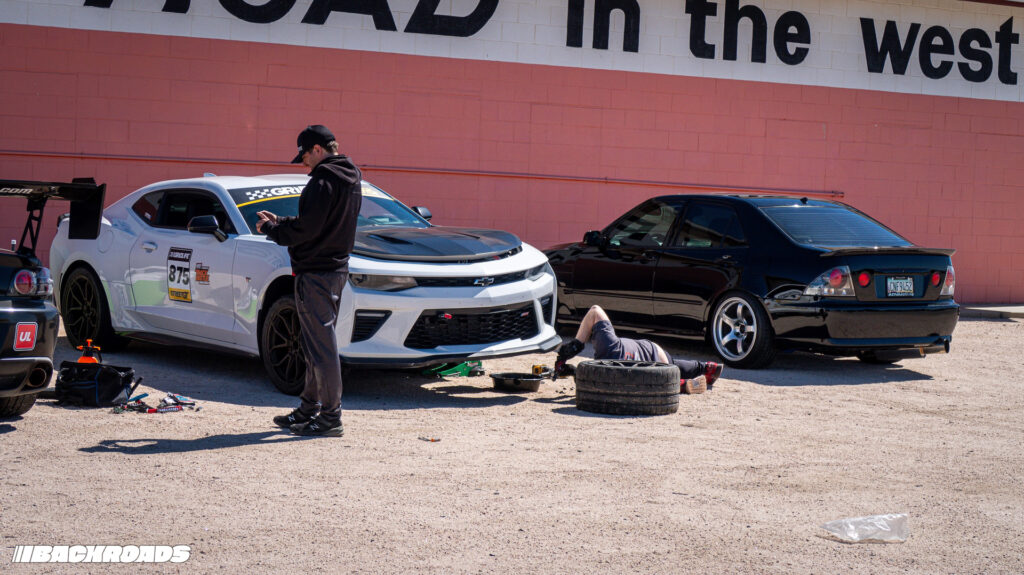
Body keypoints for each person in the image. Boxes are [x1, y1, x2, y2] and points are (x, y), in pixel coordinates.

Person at [257, 125, 362, 437]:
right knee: (316, 344)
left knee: (321, 348)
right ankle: (308, 409)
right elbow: (321, 224)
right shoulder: (350, 177)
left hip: (315, 272)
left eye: (303, 153)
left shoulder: (322, 180)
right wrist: (283, 222)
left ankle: (330, 418)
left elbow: (308, 231)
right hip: (335, 269)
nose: (302, 161)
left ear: (317, 148)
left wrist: (271, 231)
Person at [555, 305, 724, 392]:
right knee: (672, 366)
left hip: (650, 363)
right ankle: (706, 368)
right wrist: (575, 345)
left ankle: (683, 383)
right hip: (652, 353)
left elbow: (589, 383)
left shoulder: (606, 362)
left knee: (662, 378)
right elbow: (595, 310)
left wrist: (571, 365)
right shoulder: (608, 345)